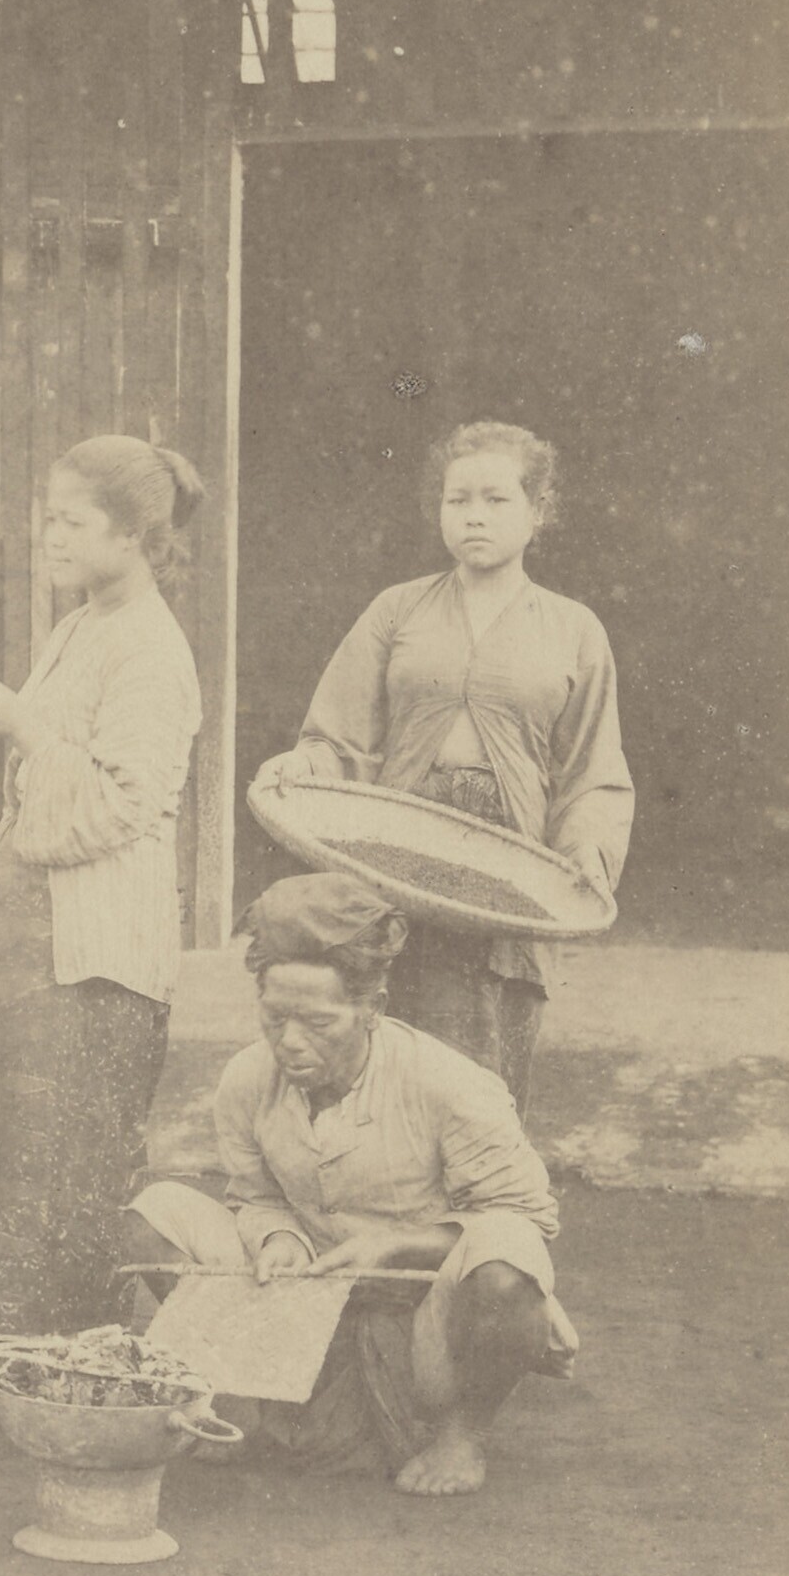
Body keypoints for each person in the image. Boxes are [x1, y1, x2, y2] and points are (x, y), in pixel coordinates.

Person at [125, 871, 579, 1497]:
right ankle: (243, 1399)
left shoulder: (449, 1084)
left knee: (509, 1261)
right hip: (309, 1302)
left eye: (317, 1022)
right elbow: (255, 1197)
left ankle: (461, 1435)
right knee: (156, 1212)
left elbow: (526, 1219)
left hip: (422, 1315)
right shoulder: (248, 1080)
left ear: (373, 1010)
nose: (290, 1042)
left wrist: (394, 1244)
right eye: (274, 1017)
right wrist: (280, 1238)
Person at [256, 421, 631, 1107]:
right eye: (458, 500)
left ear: (538, 511)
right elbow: (338, 737)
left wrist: (584, 850)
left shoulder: (573, 629)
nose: (474, 516)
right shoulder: (395, 610)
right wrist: (303, 762)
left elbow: (591, 772)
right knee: (376, 1064)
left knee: (477, 1087)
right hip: (393, 855)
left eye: (496, 499)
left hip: (506, 867)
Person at [0, 436, 204, 1340]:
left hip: (98, 957)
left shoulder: (150, 649)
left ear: (134, 536)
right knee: (23, 1151)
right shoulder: (81, 625)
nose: (49, 536)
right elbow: (61, 791)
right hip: (40, 935)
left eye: (70, 522)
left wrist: (21, 726)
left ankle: (73, 1358)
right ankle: (13, 1356)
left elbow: (123, 805)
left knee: (76, 1165)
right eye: (46, 517)